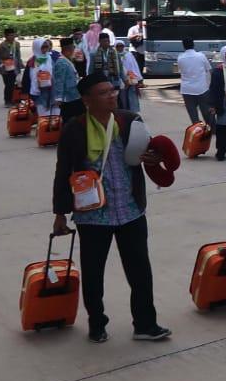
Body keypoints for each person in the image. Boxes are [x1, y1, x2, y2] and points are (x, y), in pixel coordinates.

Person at [51, 73, 171, 343]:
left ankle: (145, 324)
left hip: (130, 209)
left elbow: (148, 153)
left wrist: (152, 157)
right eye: (103, 92)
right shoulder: (75, 128)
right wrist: (60, 213)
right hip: (92, 214)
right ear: (86, 99)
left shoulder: (129, 120)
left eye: (112, 90)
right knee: (94, 273)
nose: (112, 95)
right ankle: (97, 323)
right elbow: (63, 171)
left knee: (141, 271)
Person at [177, 38, 214, 128]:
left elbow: (180, 71)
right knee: (207, 112)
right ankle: (212, 129)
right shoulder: (201, 56)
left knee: (193, 115)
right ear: (193, 45)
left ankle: (197, 131)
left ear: (183, 46)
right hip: (202, 88)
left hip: (187, 90)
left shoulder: (180, 58)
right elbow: (209, 69)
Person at [21, 38, 60, 116]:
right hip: (40, 93)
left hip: (53, 91)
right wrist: (27, 93)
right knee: (44, 117)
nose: (45, 49)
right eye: (43, 47)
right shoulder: (33, 61)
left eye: (47, 47)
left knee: (56, 117)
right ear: (37, 48)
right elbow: (27, 79)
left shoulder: (51, 58)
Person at [87, 32, 125, 104]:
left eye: (108, 41)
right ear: (100, 42)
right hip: (101, 80)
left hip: (114, 79)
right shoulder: (94, 53)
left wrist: (124, 79)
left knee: (116, 100)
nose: (107, 43)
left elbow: (120, 67)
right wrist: (91, 82)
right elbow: (91, 69)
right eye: (104, 41)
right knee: (104, 99)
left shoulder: (115, 53)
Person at [54, 38, 84, 124]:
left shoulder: (68, 60)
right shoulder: (61, 63)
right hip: (68, 98)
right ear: (69, 49)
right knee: (70, 122)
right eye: (73, 48)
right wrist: (59, 97)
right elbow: (59, 81)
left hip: (74, 95)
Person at [0, 28, 22, 107]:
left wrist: (20, 64)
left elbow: (18, 55)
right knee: (8, 84)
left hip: (14, 67)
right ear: (5, 36)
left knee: (14, 83)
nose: (12, 37)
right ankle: (7, 101)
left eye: (13, 35)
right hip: (5, 68)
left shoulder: (17, 44)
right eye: (10, 35)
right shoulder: (0, 46)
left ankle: (12, 99)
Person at [116, 40, 144, 113]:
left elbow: (135, 66)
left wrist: (139, 79)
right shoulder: (114, 55)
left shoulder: (129, 54)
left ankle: (132, 112)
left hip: (131, 78)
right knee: (122, 97)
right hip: (120, 79)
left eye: (121, 46)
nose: (120, 48)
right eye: (118, 46)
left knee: (132, 96)